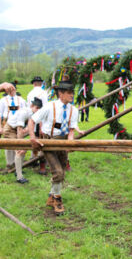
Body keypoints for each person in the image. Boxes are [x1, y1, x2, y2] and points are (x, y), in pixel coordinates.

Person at [28, 81, 78, 215]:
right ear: (60, 94)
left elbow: (71, 131)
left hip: (63, 143)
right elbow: (32, 121)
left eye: (72, 92)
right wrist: (33, 138)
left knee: (61, 171)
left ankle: (51, 196)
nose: (72, 95)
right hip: (49, 142)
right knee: (58, 172)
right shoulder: (49, 107)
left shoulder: (74, 110)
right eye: (69, 93)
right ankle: (57, 199)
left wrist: (70, 142)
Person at [3, 97, 43, 183]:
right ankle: (19, 177)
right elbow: (19, 129)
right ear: (32, 106)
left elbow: (29, 128)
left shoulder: (32, 114)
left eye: (39, 109)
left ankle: (18, 170)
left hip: (16, 130)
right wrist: (20, 143)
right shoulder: (24, 112)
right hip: (10, 130)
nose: (38, 110)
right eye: (37, 108)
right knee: (20, 150)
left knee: (23, 149)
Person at [0, 83, 26, 169]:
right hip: (7, 123)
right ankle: (9, 163)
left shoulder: (21, 100)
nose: (11, 91)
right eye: (9, 89)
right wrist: (0, 127)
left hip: (18, 123)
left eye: (13, 89)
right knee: (8, 143)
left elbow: (25, 112)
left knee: (18, 142)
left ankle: (17, 163)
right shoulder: (3, 100)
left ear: (15, 89)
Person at [27, 76, 48, 174]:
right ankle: (42, 159)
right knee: (42, 138)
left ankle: (33, 158)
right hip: (42, 120)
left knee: (34, 137)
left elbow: (29, 108)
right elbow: (46, 108)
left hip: (32, 119)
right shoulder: (44, 93)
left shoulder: (30, 94)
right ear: (41, 83)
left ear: (34, 83)